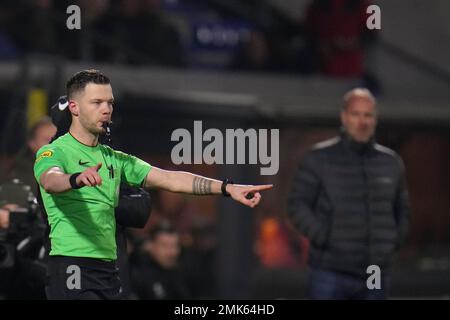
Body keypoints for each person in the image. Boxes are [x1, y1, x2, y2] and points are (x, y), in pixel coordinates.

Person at [34, 69, 272, 300]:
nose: (106, 110)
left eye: (110, 103)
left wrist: (227, 188)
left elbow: (171, 178)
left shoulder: (114, 158)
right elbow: (50, 179)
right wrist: (76, 179)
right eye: (97, 102)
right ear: (74, 107)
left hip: (109, 268)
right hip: (71, 265)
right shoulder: (54, 151)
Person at [287, 88, 410, 299]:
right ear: (344, 117)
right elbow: (297, 205)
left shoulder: (391, 162)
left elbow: (402, 210)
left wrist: (391, 243)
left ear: (375, 120)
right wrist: (324, 237)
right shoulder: (319, 159)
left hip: (375, 272)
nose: (362, 122)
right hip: (330, 272)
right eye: (356, 114)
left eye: (368, 115)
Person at [130, 221, 189, 299]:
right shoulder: (137, 274)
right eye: (165, 246)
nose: (172, 252)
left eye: (175, 246)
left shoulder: (182, 270)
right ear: (149, 246)